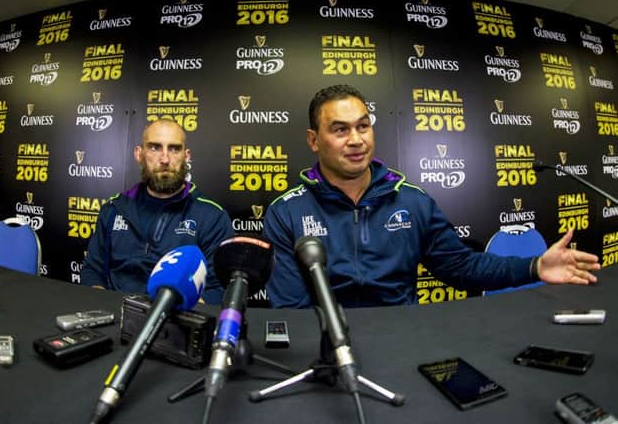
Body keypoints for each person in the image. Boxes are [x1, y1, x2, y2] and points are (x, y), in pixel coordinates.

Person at [263, 84, 601, 308]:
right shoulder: (286, 212)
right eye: (340, 129)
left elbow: (461, 266)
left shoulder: (413, 201)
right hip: (327, 346)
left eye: (363, 126)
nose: (356, 140)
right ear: (313, 140)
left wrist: (535, 265)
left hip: (406, 338)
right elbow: (292, 309)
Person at [81, 119, 234, 303]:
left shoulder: (211, 216)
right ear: (139, 154)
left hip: (177, 322)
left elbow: (220, 290)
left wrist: (180, 311)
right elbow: (92, 271)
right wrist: (103, 305)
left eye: (174, 148)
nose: (165, 159)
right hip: (116, 317)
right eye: (155, 148)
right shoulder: (113, 210)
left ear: (186, 156)